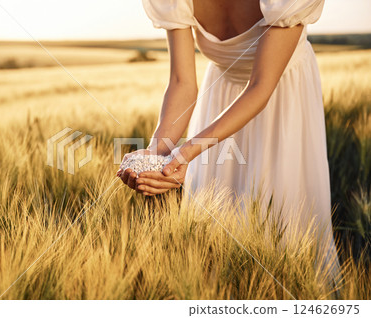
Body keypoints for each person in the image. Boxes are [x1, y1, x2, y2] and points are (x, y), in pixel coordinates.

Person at [117, 0, 340, 285]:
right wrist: (156, 156)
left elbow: (261, 86)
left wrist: (190, 151)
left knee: (283, 226)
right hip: (219, 103)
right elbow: (181, 82)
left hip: (281, 100)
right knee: (216, 240)